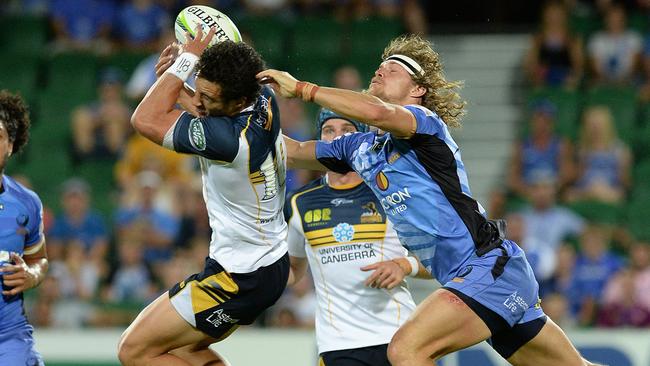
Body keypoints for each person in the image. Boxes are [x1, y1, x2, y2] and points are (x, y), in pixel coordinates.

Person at [257, 35, 598, 365]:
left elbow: (378, 114)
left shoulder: (425, 124)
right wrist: (238, 114)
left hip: (487, 267)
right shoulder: (359, 149)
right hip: (473, 279)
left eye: (392, 69)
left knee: (405, 349)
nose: (380, 70)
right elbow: (294, 151)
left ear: (417, 90)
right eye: (379, 66)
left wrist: (303, 89)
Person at [118, 27, 289, 366]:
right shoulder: (262, 98)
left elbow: (145, 119)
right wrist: (174, 80)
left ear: (237, 101)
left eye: (208, 97)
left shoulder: (228, 142)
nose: (198, 100)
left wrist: (184, 64)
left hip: (239, 277)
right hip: (265, 265)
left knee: (133, 350)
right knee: (181, 350)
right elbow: (204, 110)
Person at [285, 108, 429, 365]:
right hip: (338, 346)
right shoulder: (299, 203)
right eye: (329, 131)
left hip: (398, 338)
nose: (337, 138)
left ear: (361, 139)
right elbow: (293, 271)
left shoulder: (390, 192)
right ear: (318, 141)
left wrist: (405, 265)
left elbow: (439, 257)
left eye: (347, 130)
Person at [0, 90, 49, 366]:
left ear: (11, 144)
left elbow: (39, 259)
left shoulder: (27, 203)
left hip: (9, 337)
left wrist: (31, 275)